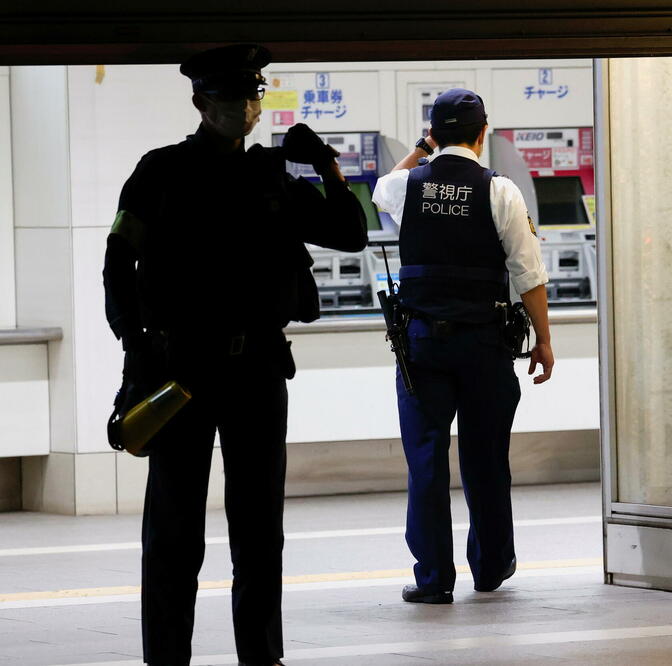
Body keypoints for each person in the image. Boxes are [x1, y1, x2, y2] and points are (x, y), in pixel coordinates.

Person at [102, 44, 368, 665]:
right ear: (201, 102)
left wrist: (326, 163)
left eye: (254, 96)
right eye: (231, 97)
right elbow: (118, 260)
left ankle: (262, 654)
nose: (246, 108)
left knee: (258, 529)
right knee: (173, 529)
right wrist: (134, 346)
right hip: (180, 369)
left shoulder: (272, 176)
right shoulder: (159, 171)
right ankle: (166, 656)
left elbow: (351, 233)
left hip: (255, 370)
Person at [372, 88, 554, 604]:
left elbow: (380, 188)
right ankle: (491, 566)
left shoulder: (408, 184)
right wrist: (543, 339)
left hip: (423, 347)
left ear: (434, 133)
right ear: (483, 132)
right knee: (486, 456)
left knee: (427, 460)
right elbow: (528, 272)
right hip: (485, 346)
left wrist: (423, 149)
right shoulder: (502, 191)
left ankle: (433, 579)